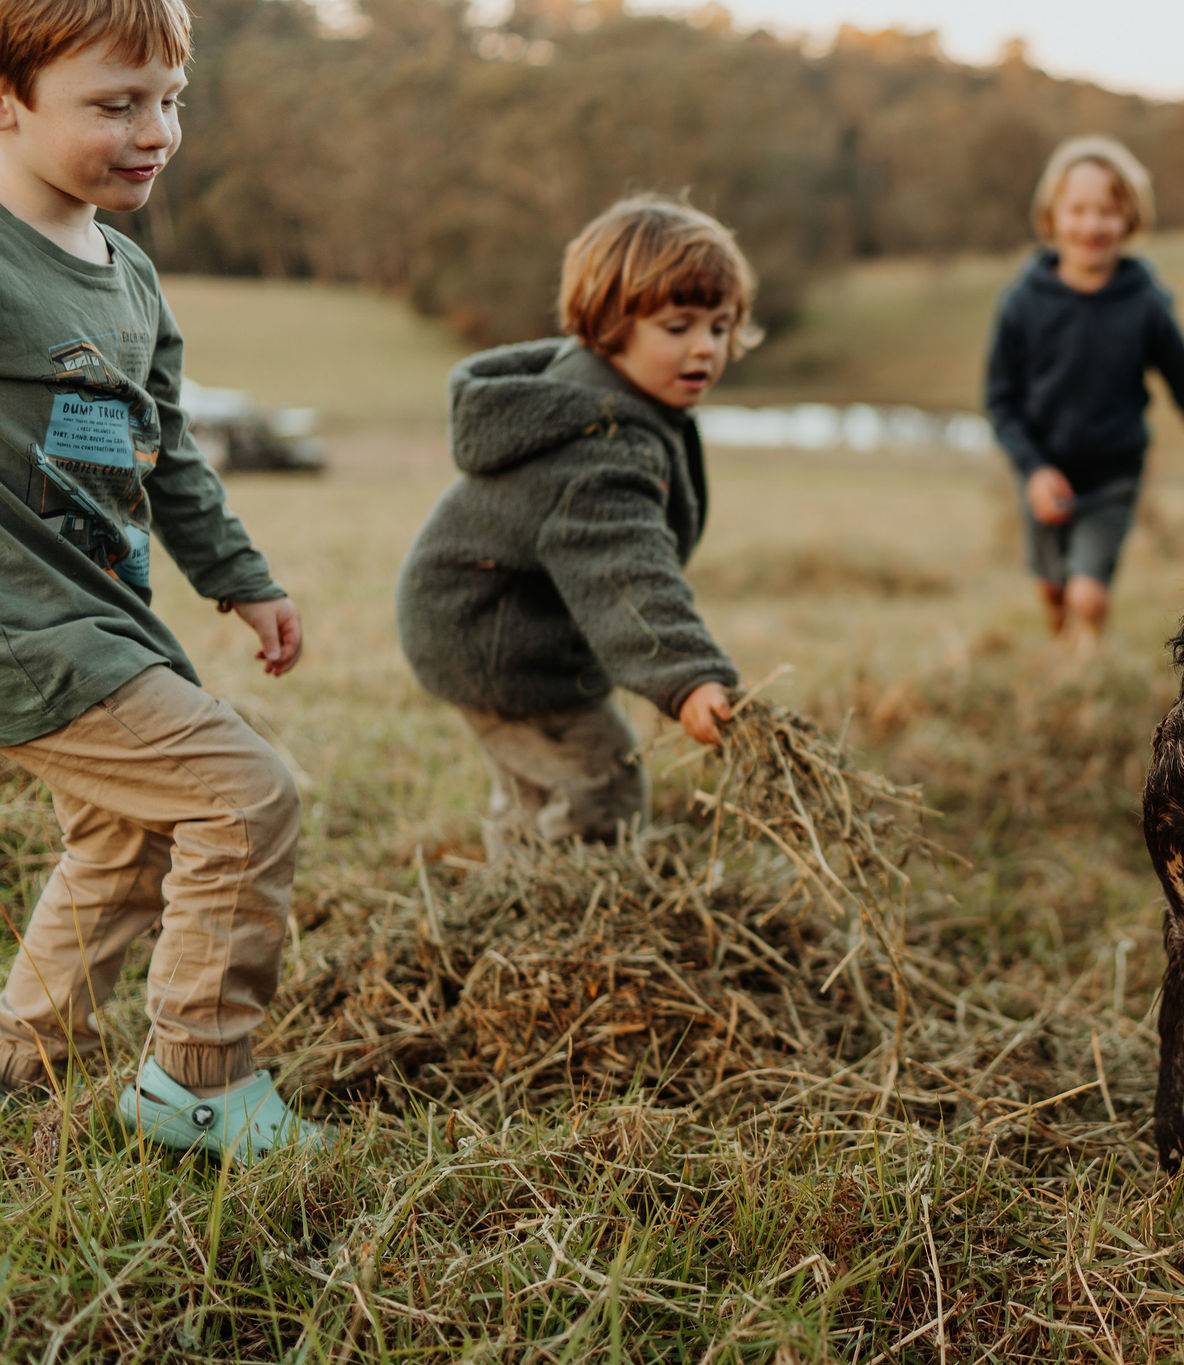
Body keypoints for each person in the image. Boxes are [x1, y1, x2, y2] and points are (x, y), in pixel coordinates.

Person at [0, 0, 325, 1158]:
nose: (155, 131)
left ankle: (20, 1062)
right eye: (113, 105)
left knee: (124, 841)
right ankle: (198, 1081)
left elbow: (169, 451)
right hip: (25, 632)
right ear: (8, 101)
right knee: (244, 794)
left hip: (105, 615)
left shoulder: (130, 281)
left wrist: (244, 580)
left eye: (169, 100)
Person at [396, 195, 757, 861]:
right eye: (678, 326)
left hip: (483, 622)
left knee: (545, 781)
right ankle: (568, 904)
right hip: (498, 644)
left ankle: (520, 873)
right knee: (598, 778)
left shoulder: (607, 398)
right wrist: (689, 676)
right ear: (612, 324)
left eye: (720, 324)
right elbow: (626, 573)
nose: (705, 347)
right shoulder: (598, 445)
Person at [985, 135, 1184, 641]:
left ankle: (1088, 663)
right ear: (1051, 217)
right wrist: (1034, 470)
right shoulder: (1022, 302)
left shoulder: (1145, 301)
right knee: (1052, 589)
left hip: (1113, 476)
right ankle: (1058, 641)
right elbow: (1000, 400)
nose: (1092, 225)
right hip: (1044, 471)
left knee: (1089, 594)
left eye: (1108, 211)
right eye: (1078, 210)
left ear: (1130, 218)